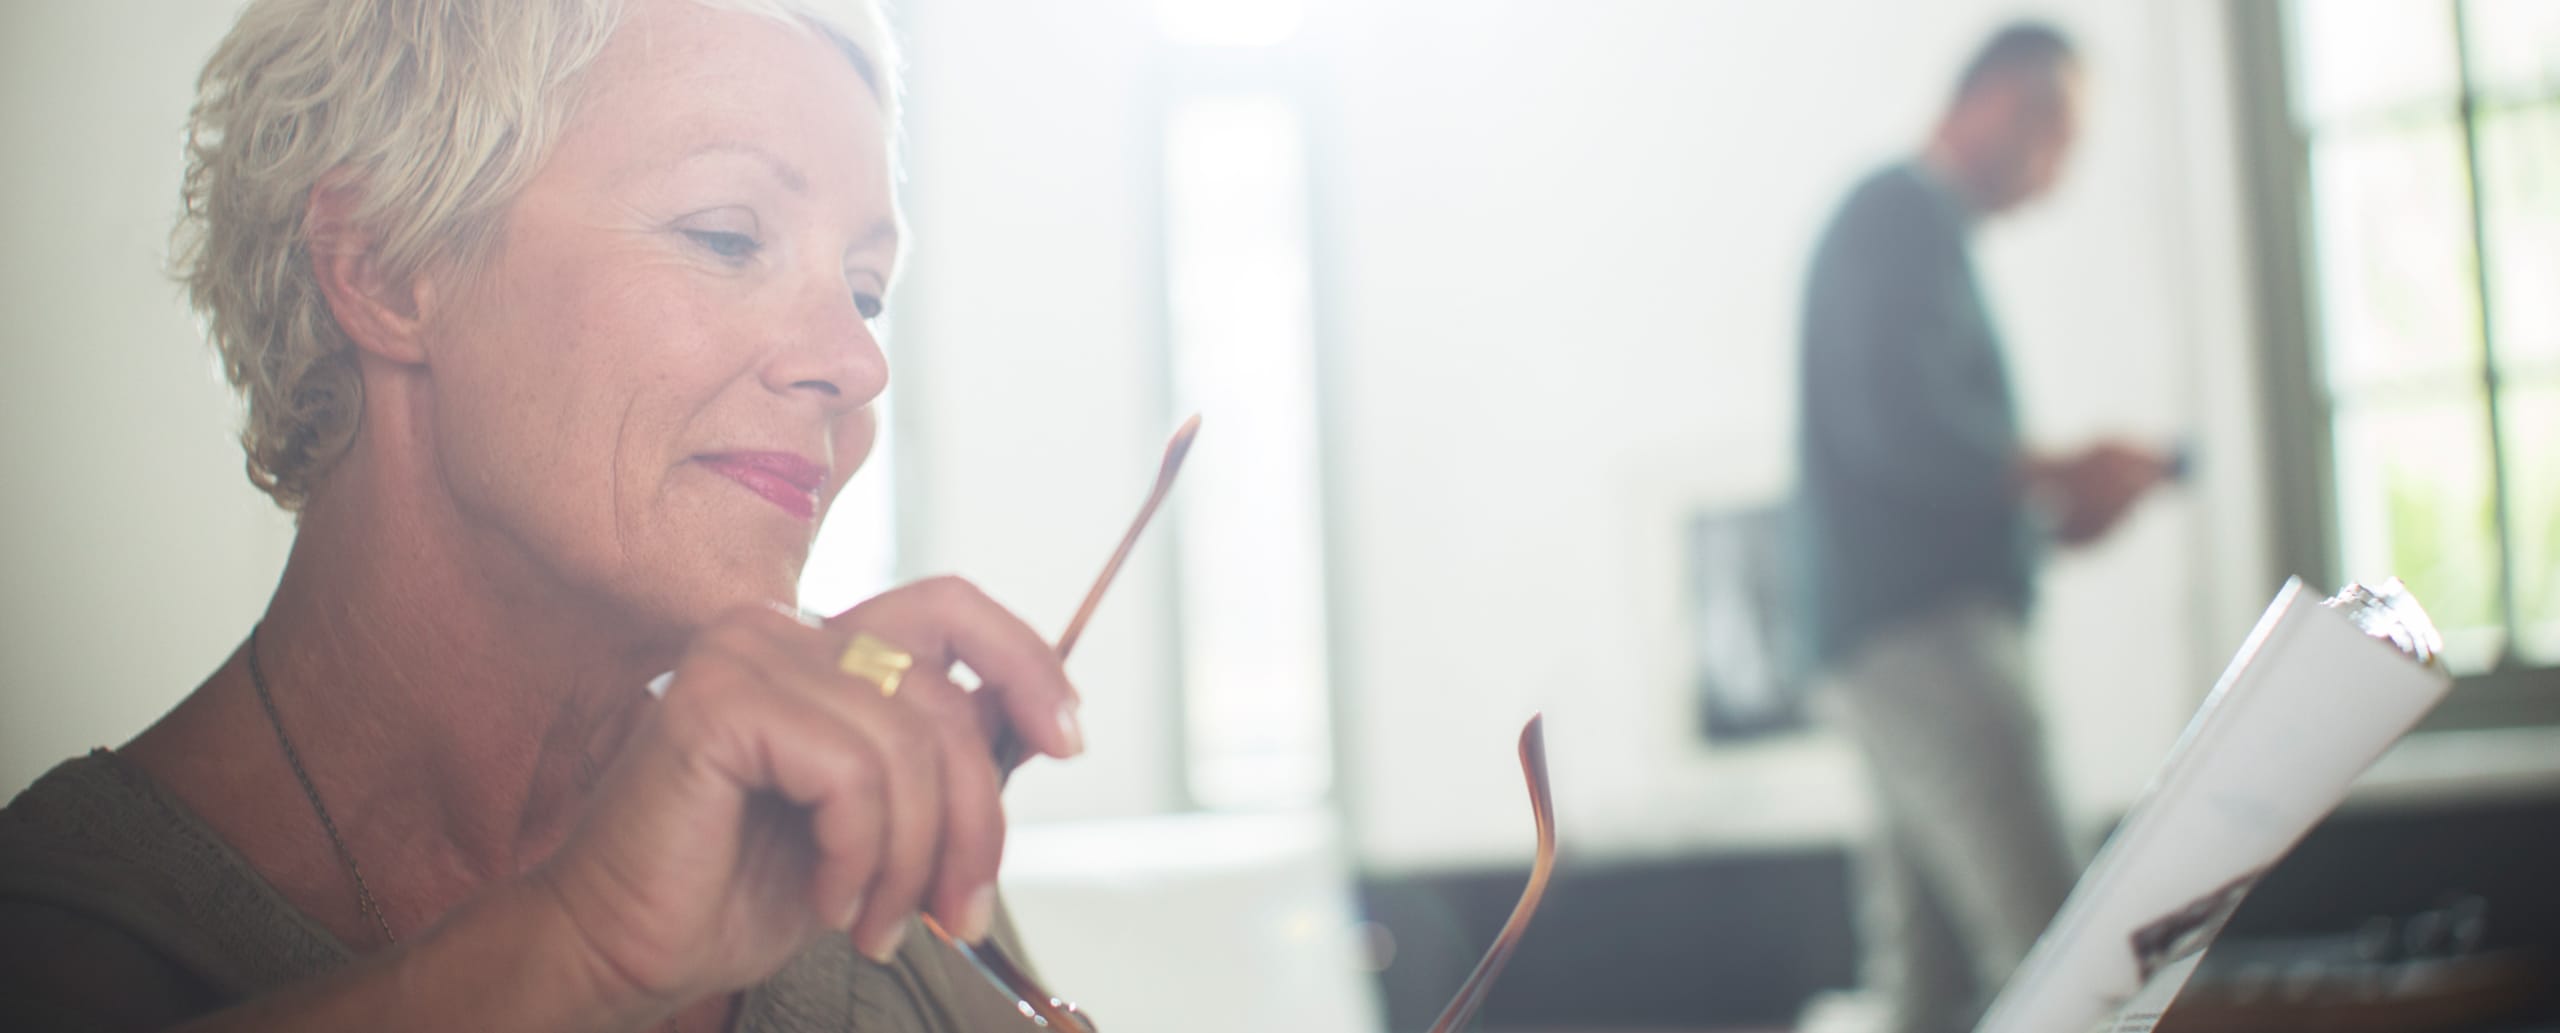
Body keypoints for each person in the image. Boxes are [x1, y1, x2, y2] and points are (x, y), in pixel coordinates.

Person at [0, 1, 1091, 1030]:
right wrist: (570, 948)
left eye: (863, 290)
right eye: (725, 236)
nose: (859, 363)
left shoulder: (860, 885)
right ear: (383, 265)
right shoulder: (53, 943)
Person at [1793, 21, 2173, 1033]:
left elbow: (1917, 465)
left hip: (1889, 637)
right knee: (2065, 960)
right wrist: (2064, 470)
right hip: (1928, 643)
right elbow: (1901, 427)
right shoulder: (1898, 213)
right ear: (2006, 103)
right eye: (2064, 141)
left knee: (1924, 985)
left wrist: (2048, 519)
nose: (2061, 177)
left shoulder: (1913, 228)